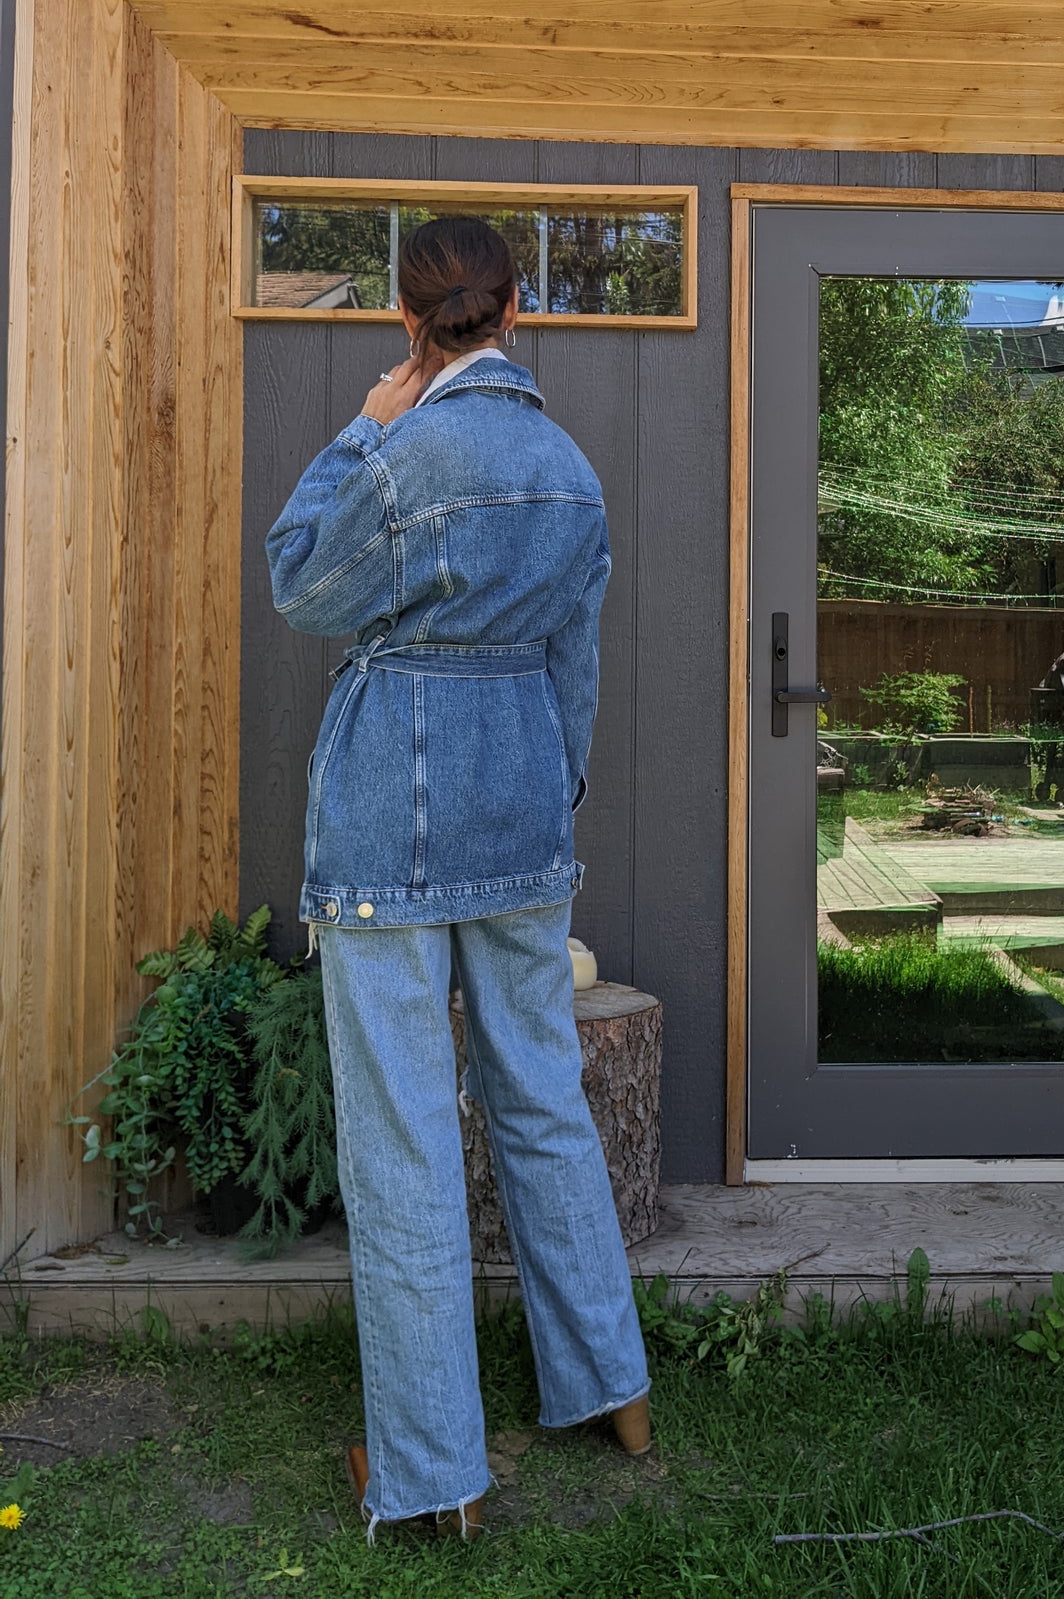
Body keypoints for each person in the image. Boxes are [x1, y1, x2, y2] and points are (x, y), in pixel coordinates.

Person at [266, 216, 650, 1544]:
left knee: (405, 1136)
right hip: (523, 810)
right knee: (541, 1098)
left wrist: (365, 428)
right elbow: (576, 676)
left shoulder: (402, 454)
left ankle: (436, 1471)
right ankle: (613, 1390)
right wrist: (550, 799)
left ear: (405, 316)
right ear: (516, 305)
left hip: (389, 821)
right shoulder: (570, 470)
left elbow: (298, 585)